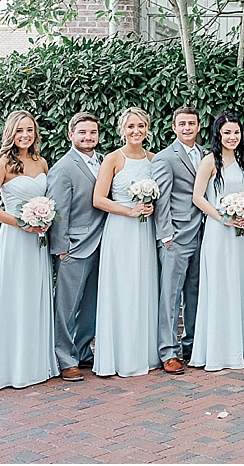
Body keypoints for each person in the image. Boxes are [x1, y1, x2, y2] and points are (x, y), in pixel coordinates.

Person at [0, 111, 58, 391]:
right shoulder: (2, 164)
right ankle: (11, 367)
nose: (25, 135)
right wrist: (22, 222)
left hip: (38, 242)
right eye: (20, 130)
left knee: (35, 299)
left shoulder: (41, 162)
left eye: (30, 130)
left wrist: (43, 218)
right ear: (11, 133)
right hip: (15, 241)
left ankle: (35, 364)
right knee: (15, 299)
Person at [190, 112, 244, 370]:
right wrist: (223, 217)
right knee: (221, 286)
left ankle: (240, 345)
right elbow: (198, 197)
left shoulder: (243, 160)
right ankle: (220, 349)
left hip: (242, 233)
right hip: (219, 231)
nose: (232, 137)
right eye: (227, 132)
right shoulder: (210, 161)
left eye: (236, 132)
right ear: (218, 134)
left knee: (241, 285)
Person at [92, 107, 159, 377]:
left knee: (143, 288)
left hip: (144, 232)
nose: (136, 131)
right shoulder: (112, 160)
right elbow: (99, 199)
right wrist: (129, 210)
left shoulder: (154, 159)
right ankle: (118, 356)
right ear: (123, 129)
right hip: (120, 231)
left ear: (148, 129)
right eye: (131, 126)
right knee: (122, 289)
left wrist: (150, 206)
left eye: (141, 126)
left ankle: (143, 354)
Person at [48, 111, 105, 382]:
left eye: (92, 132)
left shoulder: (103, 161)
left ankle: (83, 350)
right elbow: (59, 211)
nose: (88, 137)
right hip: (74, 247)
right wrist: (61, 248)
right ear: (71, 135)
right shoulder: (63, 167)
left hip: (102, 244)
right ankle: (65, 358)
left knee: (91, 305)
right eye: (82, 132)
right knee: (67, 307)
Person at [151, 106, 205, 375]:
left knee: (195, 293)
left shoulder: (206, 153)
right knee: (170, 295)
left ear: (198, 126)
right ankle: (168, 351)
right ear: (174, 127)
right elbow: (162, 200)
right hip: (177, 236)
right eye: (182, 124)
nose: (187, 128)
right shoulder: (165, 158)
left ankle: (192, 344)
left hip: (203, 234)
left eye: (191, 123)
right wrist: (166, 235)